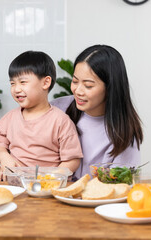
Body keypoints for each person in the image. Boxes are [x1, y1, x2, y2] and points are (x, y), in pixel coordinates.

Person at [51, 44, 143, 180]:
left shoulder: (123, 133)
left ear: (110, 87)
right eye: (75, 81)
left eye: (88, 85)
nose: (78, 91)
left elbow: (120, 185)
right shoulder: (57, 108)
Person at [0, 51, 83, 176]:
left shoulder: (61, 121)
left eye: (23, 82)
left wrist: (52, 178)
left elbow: (72, 160)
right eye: (12, 83)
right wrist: (4, 156)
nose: (16, 89)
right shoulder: (9, 118)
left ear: (45, 83)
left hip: (46, 186)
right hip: (14, 182)